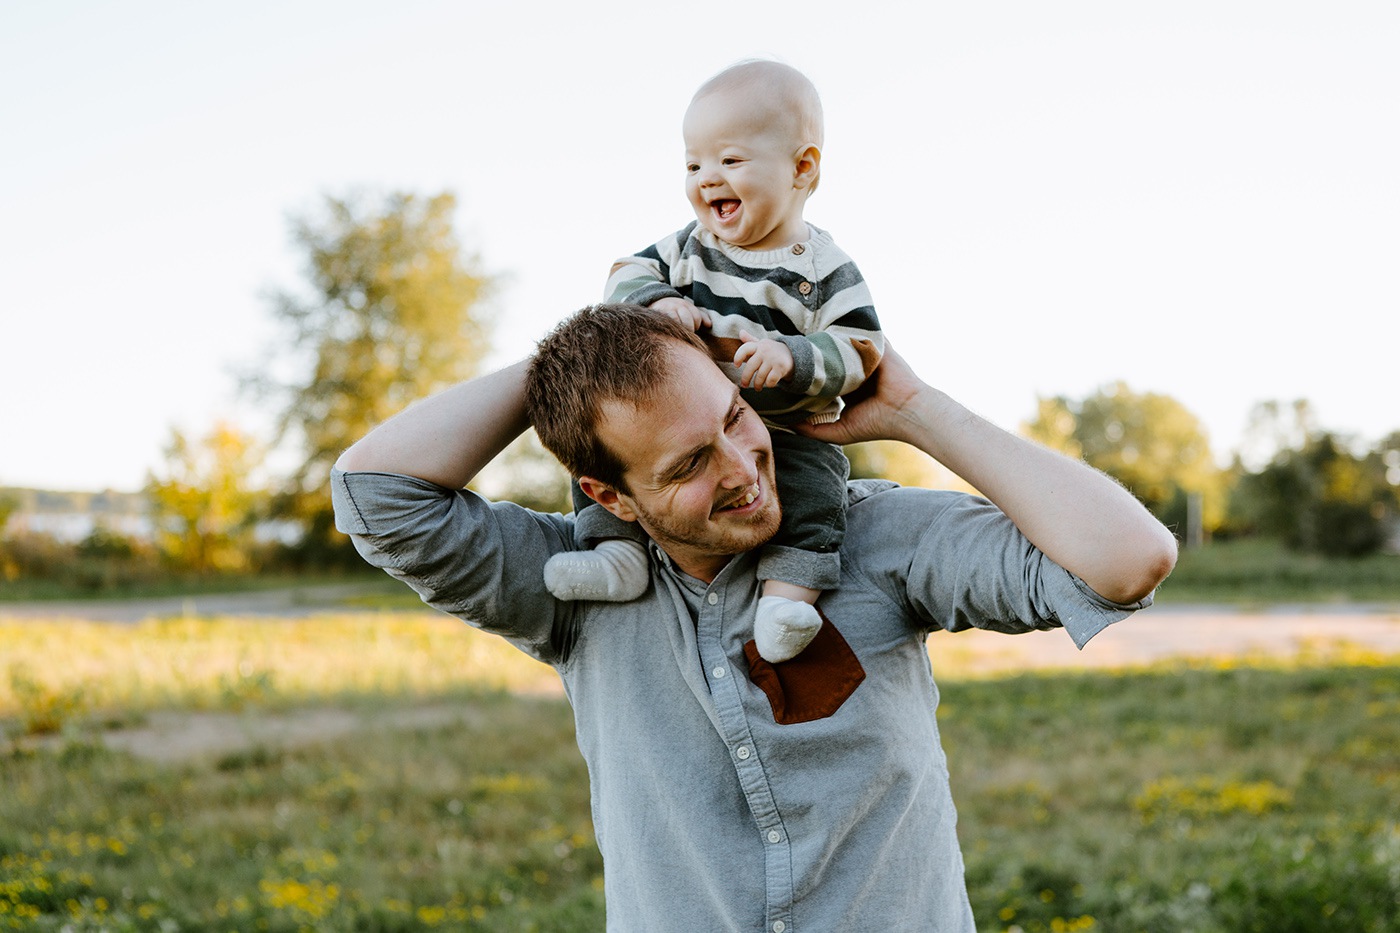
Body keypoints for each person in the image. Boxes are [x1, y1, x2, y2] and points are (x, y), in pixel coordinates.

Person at [331, 302, 1177, 931]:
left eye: (734, 417)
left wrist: (916, 411)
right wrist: (574, 358)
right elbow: (373, 493)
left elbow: (1128, 559)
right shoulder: (574, 588)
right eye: (690, 462)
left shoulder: (875, 536)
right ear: (610, 496)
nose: (744, 468)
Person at [544, 60, 882, 664]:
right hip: (680, 417)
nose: (706, 179)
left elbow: (861, 346)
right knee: (609, 454)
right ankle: (613, 555)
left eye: (729, 161)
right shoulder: (688, 248)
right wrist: (658, 302)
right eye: (693, 165)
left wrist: (795, 356)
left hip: (780, 427)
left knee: (814, 489)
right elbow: (625, 272)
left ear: (802, 168)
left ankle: (786, 598)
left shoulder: (823, 270)